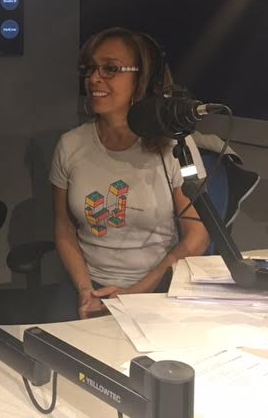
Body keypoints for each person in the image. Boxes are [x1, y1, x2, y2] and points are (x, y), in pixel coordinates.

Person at [49, 27, 210, 321]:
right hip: (88, 285)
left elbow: (197, 236)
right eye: (90, 69)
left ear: (144, 80)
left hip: (157, 287)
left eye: (110, 69)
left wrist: (135, 293)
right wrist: (85, 290)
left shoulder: (175, 146)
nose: (94, 79)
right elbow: (64, 227)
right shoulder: (70, 145)